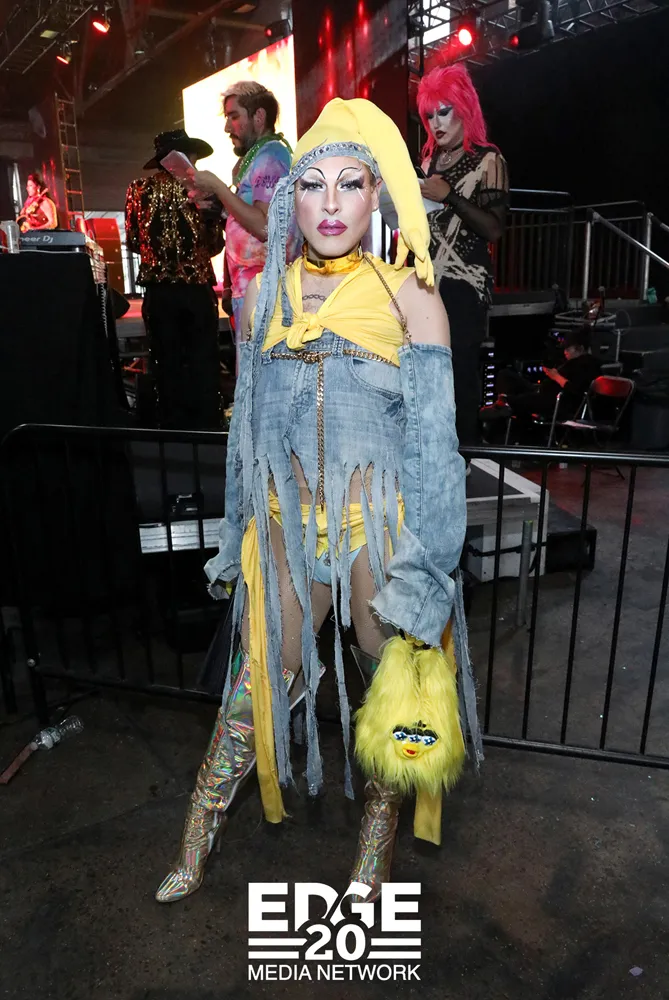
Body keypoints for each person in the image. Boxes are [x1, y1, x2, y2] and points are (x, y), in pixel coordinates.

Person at [154, 97, 482, 905]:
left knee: (389, 692)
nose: (330, 203)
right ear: (288, 199)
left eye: (350, 183)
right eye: (312, 184)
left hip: (377, 528)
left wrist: (428, 569)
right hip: (286, 530)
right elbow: (244, 437)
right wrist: (236, 533)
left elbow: (437, 450)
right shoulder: (262, 299)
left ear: (376, 197)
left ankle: (375, 847)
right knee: (256, 683)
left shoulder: (413, 297)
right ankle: (197, 834)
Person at [417, 65, 509, 447]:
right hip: (426, 281)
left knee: (459, 374)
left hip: (465, 285)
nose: (436, 123)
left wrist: (449, 196)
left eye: (444, 111)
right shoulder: (428, 163)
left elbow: (494, 228)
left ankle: (464, 458)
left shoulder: (488, 160)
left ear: (464, 107)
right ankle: (432, 454)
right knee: (425, 373)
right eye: (429, 115)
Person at [185, 81, 295, 364]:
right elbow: (246, 224)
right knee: (249, 377)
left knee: (258, 379)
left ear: (259, 116)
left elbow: (264, 226)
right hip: (251, 291)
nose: (227, 127)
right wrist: (220, 208)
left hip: (266, 294)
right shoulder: (254, 158)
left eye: (234, 117)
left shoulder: (271, 156)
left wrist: (218, 187)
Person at [125, 129, 225, 429]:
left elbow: (133, 240)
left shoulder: (138, 189)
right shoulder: (201, 190)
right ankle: (206, 427)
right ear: (185, 155)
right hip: (196, 289)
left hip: (158, 290)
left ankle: (172, 429)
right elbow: (214, 243)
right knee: (203, 360)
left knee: (165, 361)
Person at [482, 326, 602, 432]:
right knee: (506, 375)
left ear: (580, 348)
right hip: (542, 391)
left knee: (517, 400)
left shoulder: (586, 365)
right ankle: (504, 405)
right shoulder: (571, 362)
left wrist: (556, 376)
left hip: (554, 401)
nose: (565, 352)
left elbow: (576, 390)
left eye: (568, 349)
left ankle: (503, 408)